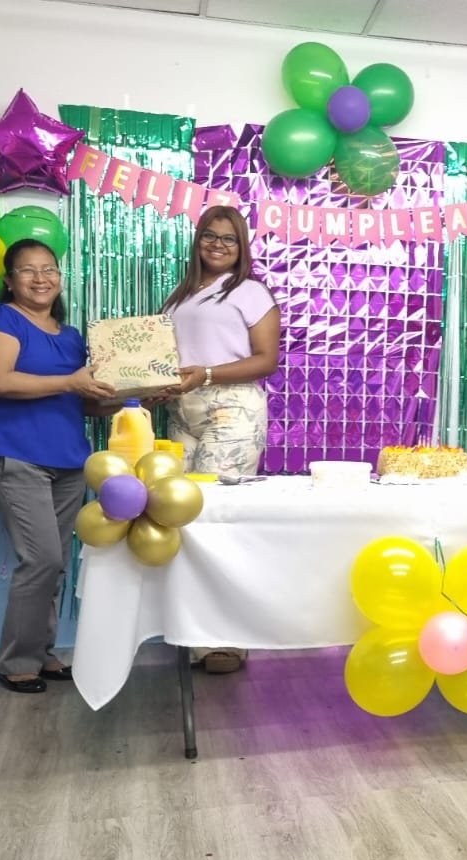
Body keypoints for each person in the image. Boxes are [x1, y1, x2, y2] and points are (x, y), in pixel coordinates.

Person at [0, 239, 115, 694]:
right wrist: (70, 382)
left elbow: (85, 402)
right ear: (9, 281)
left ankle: (40, 652)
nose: (40, 277)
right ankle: (16, 661)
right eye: (27, 270)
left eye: (49, 268)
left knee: (56, 564)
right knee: (41, 559)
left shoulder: (71, 336)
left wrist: (139, 395)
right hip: (17, 456)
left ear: (60, 278)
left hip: (69, 460)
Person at [160, 205, 281, 674]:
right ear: (198, 241)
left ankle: (227, 640)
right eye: (209, 236)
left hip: (231, 408)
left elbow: (266, 359)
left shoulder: (249, 292)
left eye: (228, 238)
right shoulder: (179, 297)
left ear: (241, 246)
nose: (217, 244)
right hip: (182, 411)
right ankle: (195, 631)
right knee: (183, 518)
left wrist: (206, 374)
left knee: (217, 519)